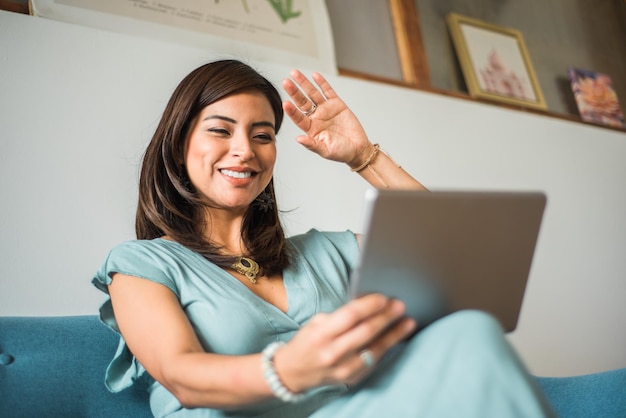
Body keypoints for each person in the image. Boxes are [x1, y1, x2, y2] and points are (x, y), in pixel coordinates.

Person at [93, 59, 555, 417]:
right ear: (178, 143)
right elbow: (181, 375)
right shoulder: (141, 264)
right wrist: (290, 369)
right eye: (220, 130)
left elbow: (458, 248)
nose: (245, 150)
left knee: (469, 330)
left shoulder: (324, 253)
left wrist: (364, 157)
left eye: (263, 135)